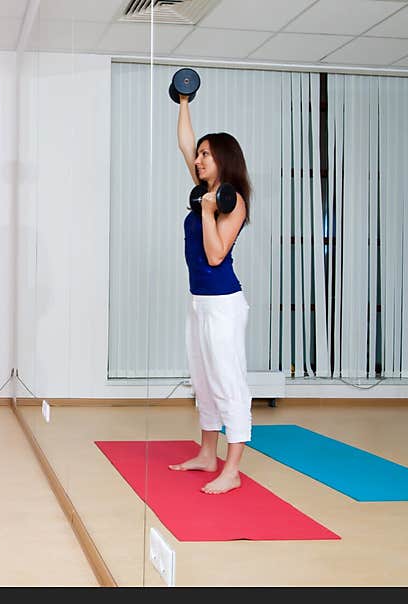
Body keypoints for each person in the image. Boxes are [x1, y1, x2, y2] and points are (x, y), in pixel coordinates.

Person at [168, 90, 253, 495]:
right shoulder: (206, 192)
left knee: (226, 380)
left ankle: (232, 468)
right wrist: (184, 100)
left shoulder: (229, 201)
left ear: (224, 159)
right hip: (199, 302)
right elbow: (185, 142)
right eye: (199, 155)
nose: (198, 159)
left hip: (223, 304)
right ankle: (207, 454)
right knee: (202, 379)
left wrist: (205, 212)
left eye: (206, 154)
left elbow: (217, 254)